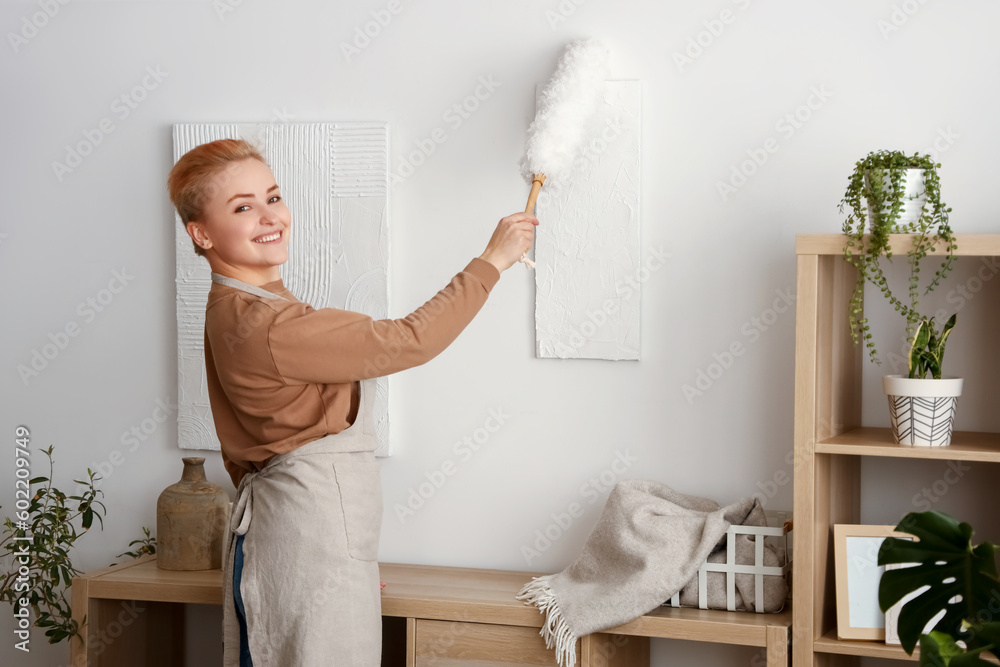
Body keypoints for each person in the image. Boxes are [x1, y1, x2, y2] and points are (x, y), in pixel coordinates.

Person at [166, 138, 537, 666]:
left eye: (272, 197)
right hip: (305, 547)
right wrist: (492, 260)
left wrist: (346, 556)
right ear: (201, 233)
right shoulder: (267, 325)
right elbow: (410, 340)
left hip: (307, 543)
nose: (270, 217)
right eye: (243, 207)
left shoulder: (245, 306)